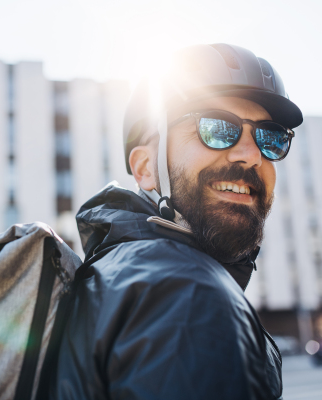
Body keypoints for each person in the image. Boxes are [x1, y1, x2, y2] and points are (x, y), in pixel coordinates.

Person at [48, 44, 303, 399]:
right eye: (216, 127)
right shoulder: (189, 294)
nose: (251, 155)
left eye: (270, 137)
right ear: (145, 168)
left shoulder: (119, 274)